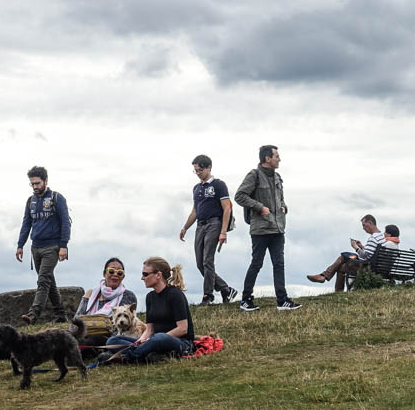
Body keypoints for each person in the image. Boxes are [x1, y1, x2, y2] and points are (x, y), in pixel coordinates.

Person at [234, 145, 301, 311]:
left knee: (279, 264)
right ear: (267, 159)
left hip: (278, 229)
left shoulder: (277, 176)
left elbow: (281, 199)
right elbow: (239, 196)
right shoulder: (254, 175)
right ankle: (246, 300)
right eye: (277, 156)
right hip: (261, 229)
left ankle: (282, 300)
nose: (279, 159)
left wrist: (285, 207)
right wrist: (259, 207)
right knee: (256, 263)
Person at [100, 257, 194, 363]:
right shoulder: (150, 297)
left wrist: (154, 340)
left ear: (158, 275)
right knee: (113, 340)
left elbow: (182, 329)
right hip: (154, 340)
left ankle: (128, 358)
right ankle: (147, 355)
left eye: (145, 274)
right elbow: (150, 330)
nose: (142, 278)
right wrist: (140, 342)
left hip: (180, 342)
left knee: (159, 338)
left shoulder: (175, 294)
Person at [179, 154, 238, 306]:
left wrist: (223, 232)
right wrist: (185, 227)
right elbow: (195, 211)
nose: (197, 173)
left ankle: (208, 295)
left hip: (214, 223)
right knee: (200, 263)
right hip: (200, 225)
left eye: (199, 170)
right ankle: (226, 289)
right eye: (195, 170)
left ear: (208, 168)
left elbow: (227, 209)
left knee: (207, 261)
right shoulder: (197, 188)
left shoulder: (219, 185)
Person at [16, 166, 71, 324]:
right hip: (36, 247)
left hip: (52, 246)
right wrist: (20, 245)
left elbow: (65, 223)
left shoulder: (56, 198)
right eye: (32, 184)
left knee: (43, 279)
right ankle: (61, 314)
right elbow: (26, 224)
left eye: (37, 183)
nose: (35, 187)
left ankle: (34, 314)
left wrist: (63, 245)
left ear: (45, 181)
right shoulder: (30, 201)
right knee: (48, 281)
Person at [307, 214, 386, 292]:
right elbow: (372, 254)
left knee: (344, 256)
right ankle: (334, 287)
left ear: (370, 223)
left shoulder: (373, 238)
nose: (363, 228)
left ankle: (324, 276)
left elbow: (365, 256)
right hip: (375, 266)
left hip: (367, 267)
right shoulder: (381, 237)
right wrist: (362, 246)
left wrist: (355, 247)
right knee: (342, 267)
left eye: (364, 225)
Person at [75, 257, 138, 348]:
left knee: (94, 340)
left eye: (119, 272)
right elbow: (77, 319)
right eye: (111, 271)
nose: (115, 274)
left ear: (123, 277)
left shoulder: (128, 295)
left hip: (109, 337)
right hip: (86, 332)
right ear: (104, 273)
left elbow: (125, 326)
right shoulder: (91, 293)